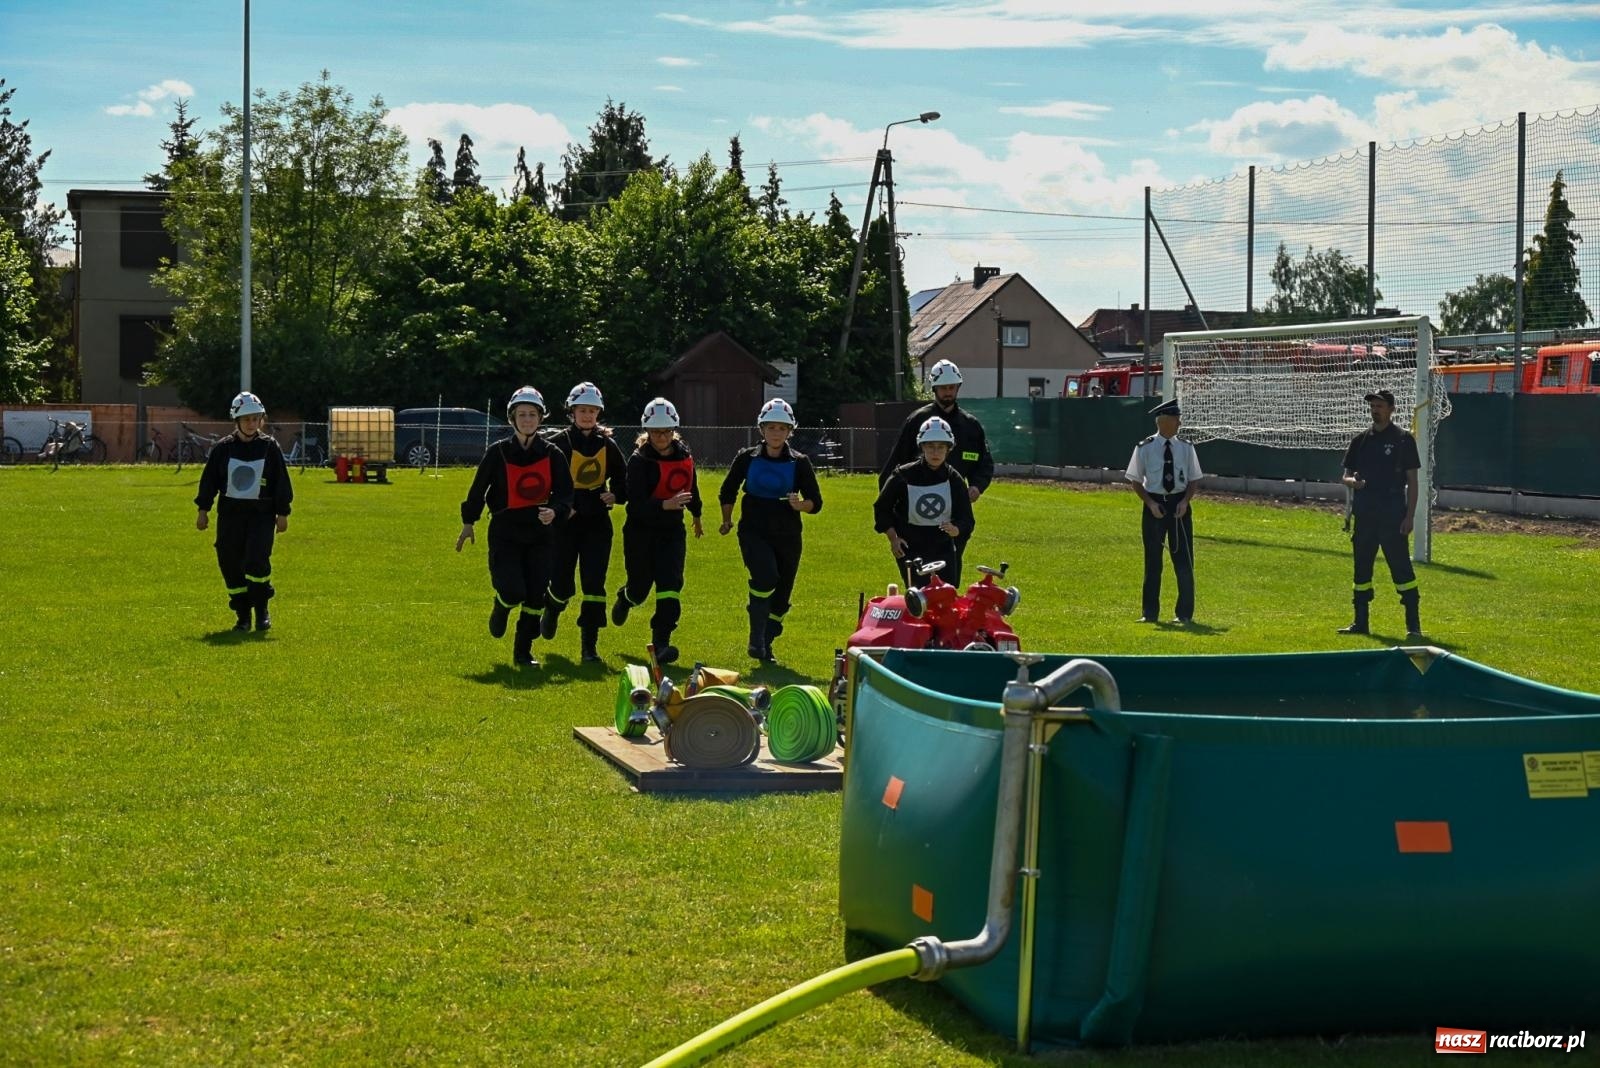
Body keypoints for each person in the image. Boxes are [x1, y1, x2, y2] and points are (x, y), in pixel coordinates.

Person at [456, 386, 573, 668]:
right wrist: (469, 522)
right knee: (512, 590)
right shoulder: (497, 452)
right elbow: (478, 489)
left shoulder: (553, 454)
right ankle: (502, 605)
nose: (527, 419)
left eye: (532, 414)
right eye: (522, 414)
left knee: (535, 595)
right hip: (505, 533)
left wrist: (555, 511)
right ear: (512, 418)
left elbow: (566, 494)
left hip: (540, 534)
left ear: (540, 418)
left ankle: (523, 652)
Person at [718, 398, 824, 662]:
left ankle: (767, 641)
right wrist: (727, 520)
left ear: (790, 431)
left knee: (782, 596)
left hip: (788, 536)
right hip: (753, 531)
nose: (776, 433)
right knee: (765, 577)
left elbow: (816, 502)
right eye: (771, 427)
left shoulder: (800, 462)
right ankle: (756, 638)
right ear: (762, 429)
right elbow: (728, 490)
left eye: (782, 428)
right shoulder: (746, 458)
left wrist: (801, 505)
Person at [878, 358, 993, 578]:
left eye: (952, 387)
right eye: (943, 388)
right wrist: (891, 524)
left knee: (948, 577)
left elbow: (984, 463)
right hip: (913, 519)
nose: (948, 392)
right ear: (934, 388)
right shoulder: (917, 422)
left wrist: (977, 486)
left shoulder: (970, 426)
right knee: (917, 580)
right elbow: (893, 469)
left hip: (953, 514)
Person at [541, 382, 628, 663]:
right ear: (572, 412)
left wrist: (616, 495)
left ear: (598, 413)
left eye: (592, 411)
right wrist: (561, 507)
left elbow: (624, 480)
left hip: (597, 524)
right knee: (562, 584)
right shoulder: (558, 443)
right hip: (565, 524)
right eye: (582, 410)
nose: (587, 415)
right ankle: (552, 607)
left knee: (594, 585)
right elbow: (545, 483)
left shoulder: (608, 445)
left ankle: (589, 648)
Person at [612, 397, 703, 666]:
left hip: (672, 532)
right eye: (655, 432)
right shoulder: (639, 461)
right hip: (640, 532)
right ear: (647, 431)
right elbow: (635, 504)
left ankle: (661, 642)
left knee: (670, 584)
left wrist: (696, 514)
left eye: (666, 431)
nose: (661, 437)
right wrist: (665, 504)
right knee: (640, 588)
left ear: (674, 430)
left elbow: (691, 486)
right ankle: (626, 598)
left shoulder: (684, 455)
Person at [194, 391, 294, 632]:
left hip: (261, 515)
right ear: (237, 420)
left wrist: (283, 513)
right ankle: (242, 615)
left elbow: (281, 481)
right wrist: (203, 510)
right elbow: (209, 481)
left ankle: (261, 611)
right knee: (230, 562)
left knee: (257, 560)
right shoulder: (223, 449)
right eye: (247, 419)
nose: (252, 423)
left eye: (256, 419)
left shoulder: (269, 448)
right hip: (231, 515)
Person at [1339, 389, 1423, 639]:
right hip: (1365, 513)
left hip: (1392, 512)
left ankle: (1413, 626)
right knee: (1361, 569)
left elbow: (1413, 481)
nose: (1375, 410)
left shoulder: (1403, 439)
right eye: (1373, 406)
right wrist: (1353, 483)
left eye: (1380, 406)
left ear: (1391, 410)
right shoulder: (1360, 440)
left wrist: (1409, 516)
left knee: (1401, 568)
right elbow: (1345, 476)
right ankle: (1360, 622)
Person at [1125, 398, 1205, 624]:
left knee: (1184, 561)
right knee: (1152, 562)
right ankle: (1149, 613)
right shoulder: (1145, 447)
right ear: (1164, 421)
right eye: (1176, 419)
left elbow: (1193, 479)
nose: (1179, 423)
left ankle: (1184, 614)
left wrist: (1185, 501)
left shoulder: (1186, 447)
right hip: (1155, 504)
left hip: (1179, 505)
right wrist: (1150, 503)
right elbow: (1135, 481)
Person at [874, 416, 974, 588]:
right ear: (922, 447)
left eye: (941, 447)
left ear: (948, 449)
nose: (935, 452)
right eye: (930, 446)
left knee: (946, 594)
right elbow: (882, 508)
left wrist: (956, 529)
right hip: (910, 546)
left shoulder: (954, 479)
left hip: (944, 548)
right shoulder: (903, 475)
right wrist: (894, 538)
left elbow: (967, 518)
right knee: (918, 595)